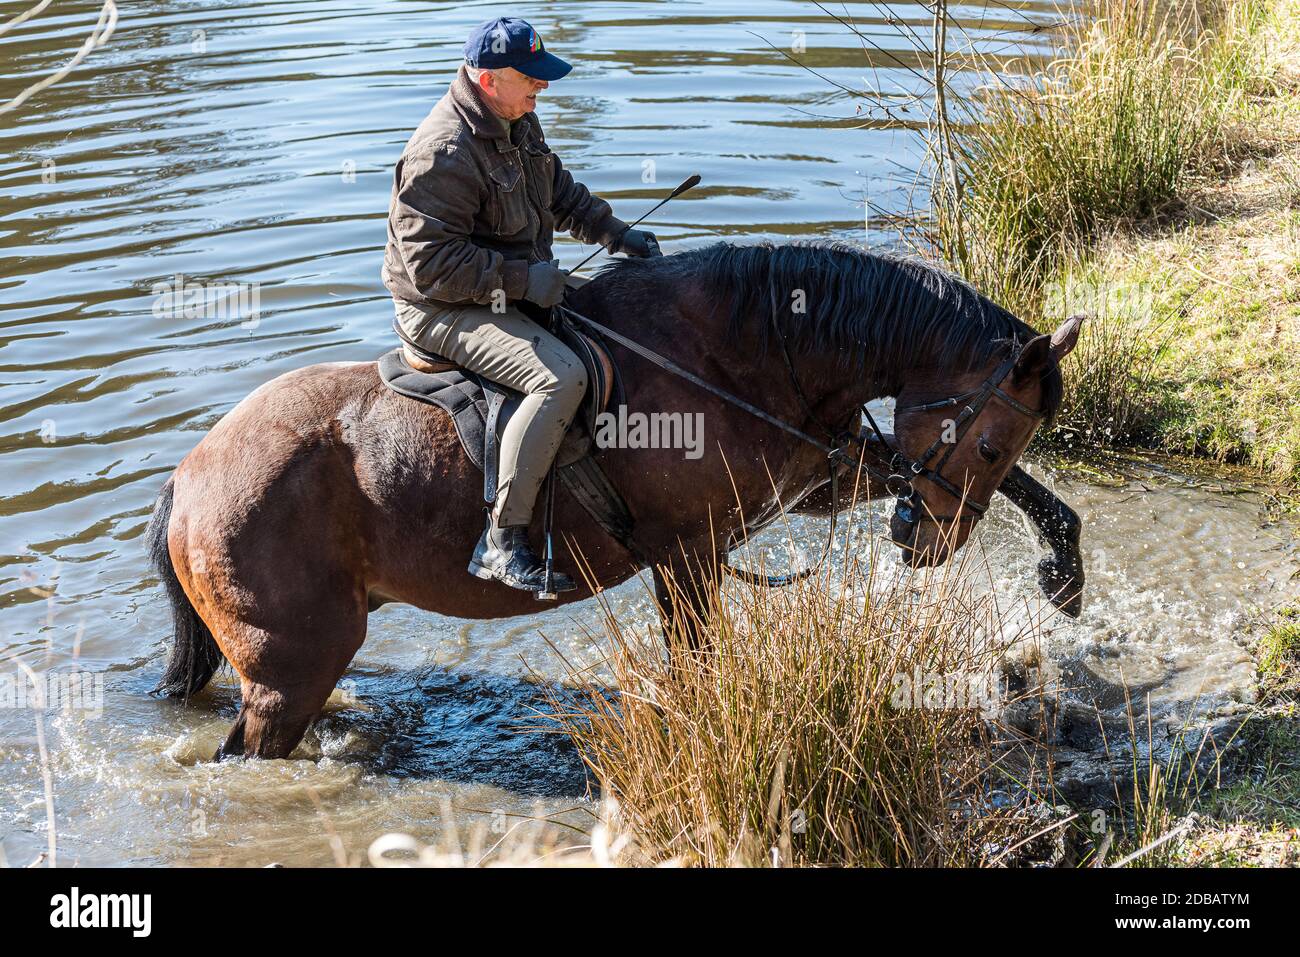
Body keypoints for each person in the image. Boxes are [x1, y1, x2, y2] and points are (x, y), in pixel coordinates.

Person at [382, 17, 660, 593]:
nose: (542, 87)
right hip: (438, 309)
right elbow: (429, 268)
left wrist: (615, 233)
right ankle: (503, 541)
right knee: (558, 379)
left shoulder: (517, 118)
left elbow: (557, 191)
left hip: (506, 286)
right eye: (530, 78)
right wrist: (524, 282)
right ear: (487, 80)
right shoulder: (442, 153)